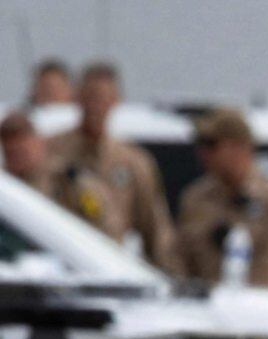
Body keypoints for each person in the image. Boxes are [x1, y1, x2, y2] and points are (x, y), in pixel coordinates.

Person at [44, 61, 179, 274]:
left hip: (110, 267)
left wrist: (168, 275)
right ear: (77, 98)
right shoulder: (51, 151)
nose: (95, 106)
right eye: (89, 97)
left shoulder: (132, 161)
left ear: (116, 101)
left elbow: (154, 228)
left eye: (103, 98)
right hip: (58, 266)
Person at [171, 109, 268, 288]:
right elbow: (179, 257)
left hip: (258, 299)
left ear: (240, 147)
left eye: (212, 145)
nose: (203, 153)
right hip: (203, 299)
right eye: (200, 144)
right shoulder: (195, 198)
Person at [0, 111, 55, 196]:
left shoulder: (63, 176)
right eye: (11, 154)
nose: (17, 159)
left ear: (39, 143)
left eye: (22, 152)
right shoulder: (4, 184)